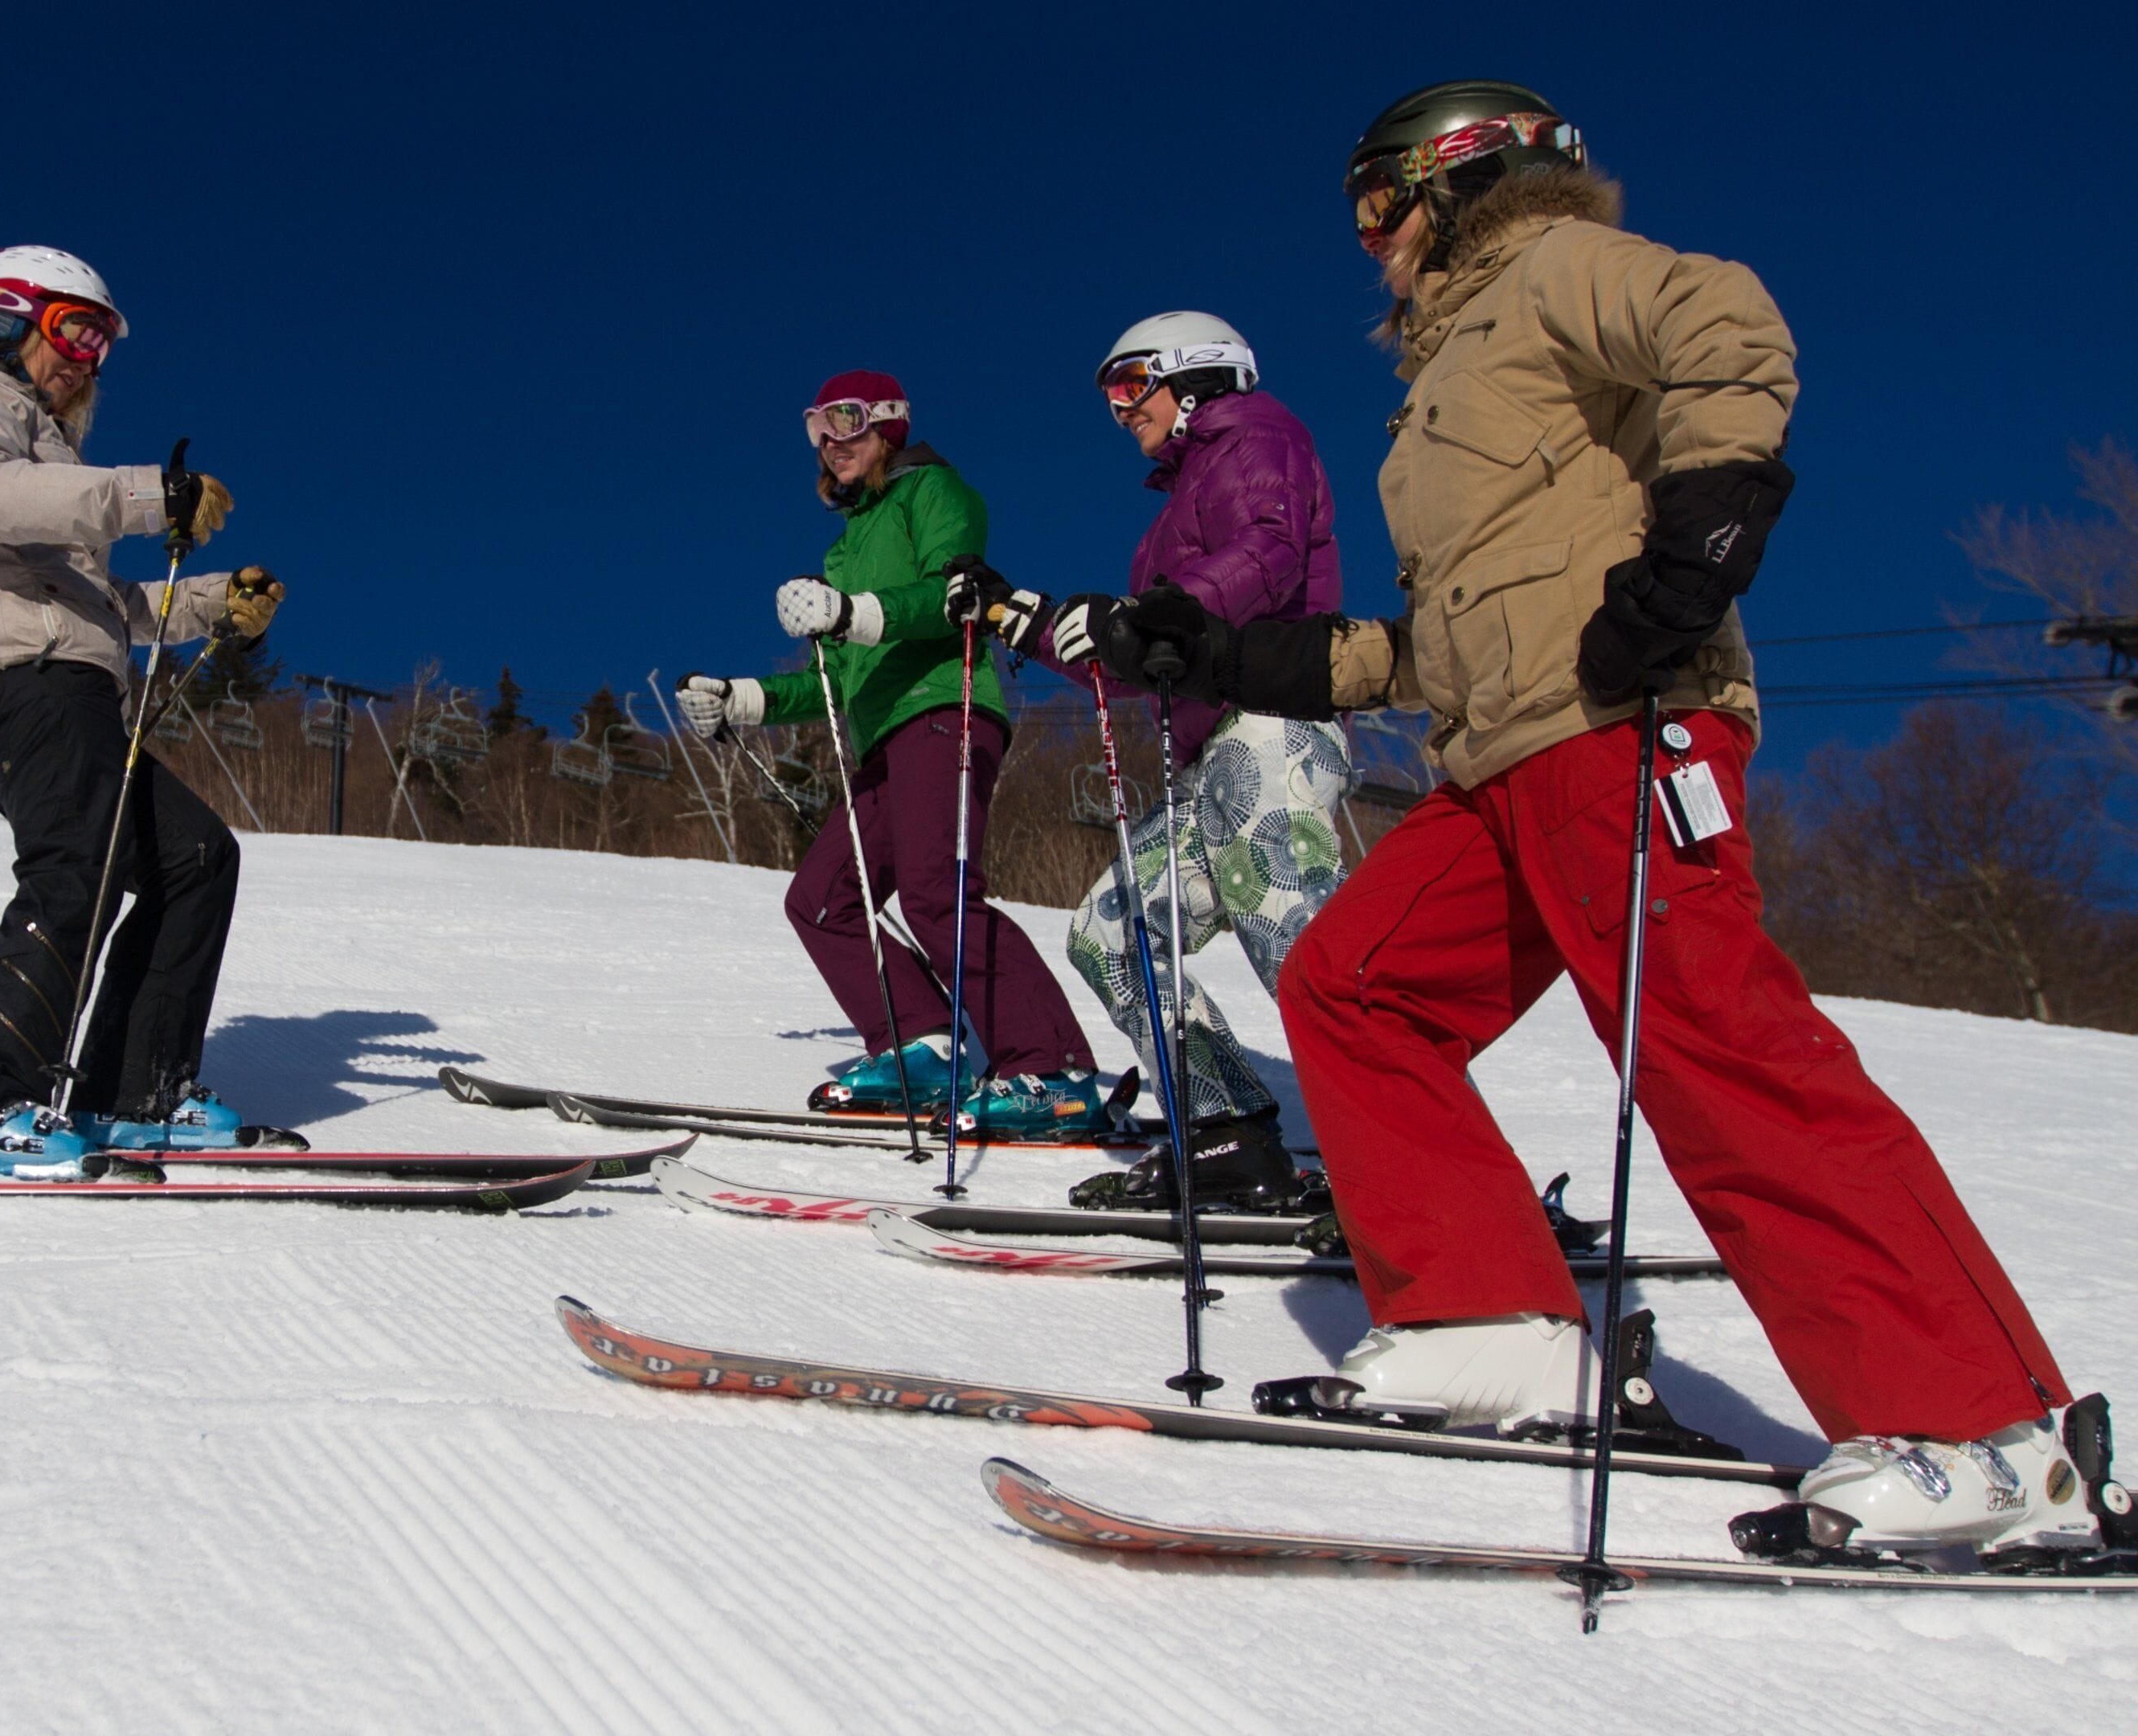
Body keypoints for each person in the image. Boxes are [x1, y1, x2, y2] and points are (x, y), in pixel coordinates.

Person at [1078, 83, 2109, 1561]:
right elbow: (1423, 647)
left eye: (1376, 205)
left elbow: (1730, 328)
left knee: (1713, 1043)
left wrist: (1701, 542)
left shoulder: (1553, 270)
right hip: (1493, 763)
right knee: (1352, 987)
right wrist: (1222, 659)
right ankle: (1497, 1324)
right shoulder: (1437, 394)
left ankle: (1991, 1434)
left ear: (1456, 181)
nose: (1366, 242)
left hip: (1621, 727)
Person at [0, 244, 289, 1177]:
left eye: (101, 342)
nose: (85, 358)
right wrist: (147, 496)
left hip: (74, 682)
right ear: (5, 317)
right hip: (20, 683)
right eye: (74, 330)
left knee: (194, 859)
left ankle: (133, 1095)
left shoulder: (47, 447)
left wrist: (213, 601)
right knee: (76, 876)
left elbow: (109, 607)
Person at [946, 313, 1351, 1191]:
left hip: (1275, 724)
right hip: (1215, 757)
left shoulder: (1255, 436)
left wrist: (1149, 618)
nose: (1119, 410)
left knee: (1300, 948)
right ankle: (1228, 1130)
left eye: (1130, 385)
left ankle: (1429, 1161)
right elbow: (1135, 660)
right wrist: (1022, 613)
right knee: (1112, 935)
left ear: (1195, 377)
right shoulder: (1172, 513)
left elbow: (1269, 557)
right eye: (1109, 396)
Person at [676, 371, 1100, 1120]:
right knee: (821, 901)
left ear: (891, 424)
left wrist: (854, 610)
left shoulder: (935, 491)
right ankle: (925, 1047)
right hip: (879, 743)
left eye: (846, 420)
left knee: (938, 895)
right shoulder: (844, 548)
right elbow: (833, 679)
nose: (831, 441)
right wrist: (743, 699)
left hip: (944, 712)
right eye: (816, 426)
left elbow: (956, 594)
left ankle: (1053, 1072)